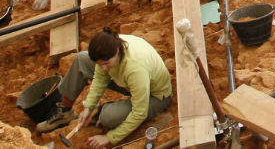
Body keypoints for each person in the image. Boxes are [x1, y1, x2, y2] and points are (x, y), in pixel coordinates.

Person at [36, 28, 173, 145]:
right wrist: (88, 107)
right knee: (82, 60)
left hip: (156, 96)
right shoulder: (110, 46)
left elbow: (139, 113)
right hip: (134, 84)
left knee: (108, 117)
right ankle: (64, 111)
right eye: (99, 63)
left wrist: (109, 137)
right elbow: (100, 78)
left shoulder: (135, 68)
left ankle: (100, 114)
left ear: (117, 53)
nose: (103, 67)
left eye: (106, 63)